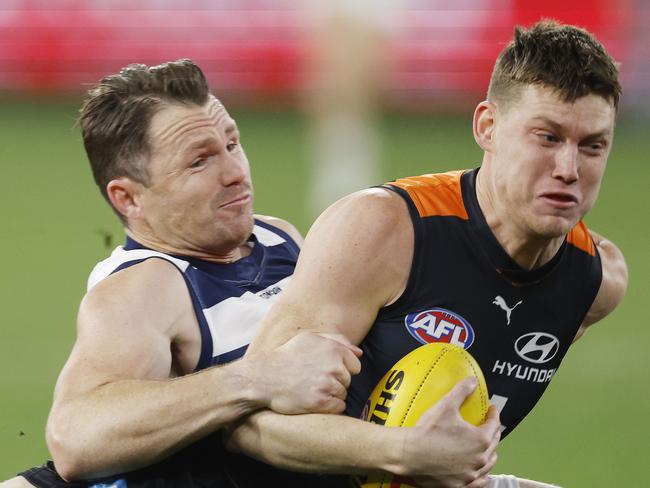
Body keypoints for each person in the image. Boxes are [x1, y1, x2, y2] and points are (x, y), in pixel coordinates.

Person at [3, 59, 504, 488]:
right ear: (128, 198)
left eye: (232, 142)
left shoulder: (278, 237)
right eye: (199, 161)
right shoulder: (144, 289)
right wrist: (256, 377)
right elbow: (74, 437)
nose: (235, 171)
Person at [225, 20, 628, 488]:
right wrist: (404, 452)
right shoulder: (382, 229)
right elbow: (249, 426)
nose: (568, 169)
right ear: (488, 127)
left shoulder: (596, 280)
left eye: (592, 146)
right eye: (547, 137)